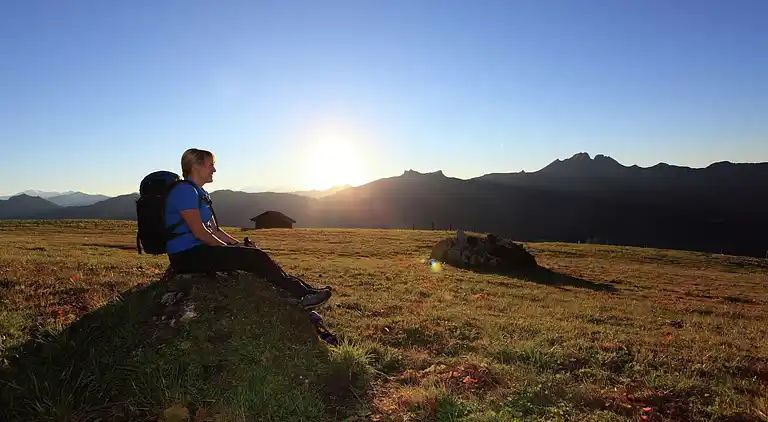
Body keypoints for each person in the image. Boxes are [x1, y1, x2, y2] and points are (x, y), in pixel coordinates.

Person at [164, 148, 332, 309]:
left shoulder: (199, 192)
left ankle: (306, 291)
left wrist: (238, 245)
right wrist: (229, 250)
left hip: (198, 250)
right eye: (210, 165)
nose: (214, 169)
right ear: (196, 167)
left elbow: (215, 231)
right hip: (186, 256)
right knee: (254, 258)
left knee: (254, 253)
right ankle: (302, 296)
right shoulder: (184, 192)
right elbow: (200, 233)